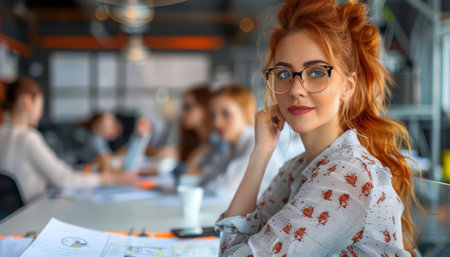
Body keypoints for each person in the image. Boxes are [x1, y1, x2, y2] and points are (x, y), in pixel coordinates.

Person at [215, 0, 419, 256]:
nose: (296, 89)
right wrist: (261, 153)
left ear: (348, 86)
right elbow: (230, 248)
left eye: (316, 73)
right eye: (284, 73)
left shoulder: (348, 177)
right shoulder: (297, 168)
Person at [0, 76, 136, 203]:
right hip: (31, 214)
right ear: (28, 101)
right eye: (40, 105)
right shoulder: (27, 137)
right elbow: (64, 179)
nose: (40, 112)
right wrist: (110, 179)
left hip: (11, 219)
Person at [187, 84, 256, 195]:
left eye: (225, 114)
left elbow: (225, 189)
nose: (216, 122)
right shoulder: (230, 145)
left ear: (245, 113)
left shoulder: (255, 143)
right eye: (213, 115)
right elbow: (207, 179)